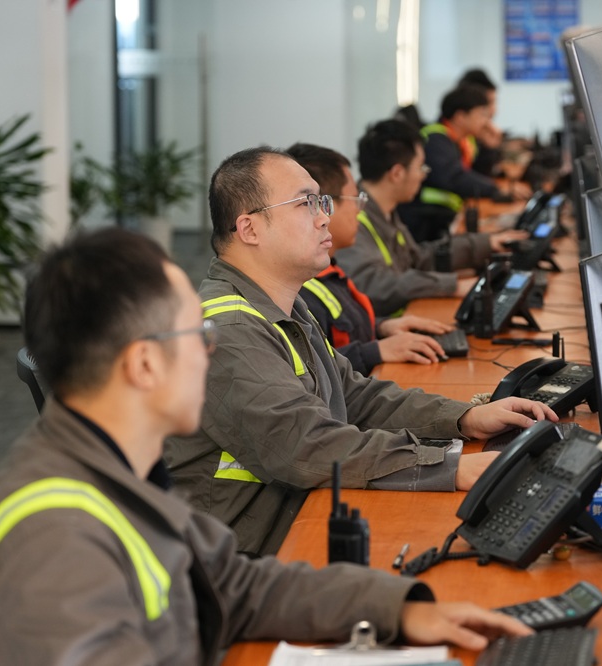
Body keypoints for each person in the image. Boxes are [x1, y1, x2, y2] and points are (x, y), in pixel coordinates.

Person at [0, 228, 532, 665]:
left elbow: (234, 586)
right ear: (144, 365)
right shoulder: (56, 544)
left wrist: (402, 609)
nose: (211, 351)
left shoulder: (115, 472)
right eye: (196, 334)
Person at [164, 147, 558, 556]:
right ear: (249, 229)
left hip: (291, 523)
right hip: (241, 560)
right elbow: (306, 446)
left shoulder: (278, 305)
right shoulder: (229, 331)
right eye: (304, 203)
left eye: (322, 201)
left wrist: (465, 418)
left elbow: (354, 396)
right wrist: (450, 467)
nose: (324, 217)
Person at [286, 142, 452, 374]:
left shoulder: (326, 271)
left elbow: (340, 333)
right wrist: (374, 351)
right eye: (355, 199)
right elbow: (313, 371)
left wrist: (381, 327)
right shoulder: (296, 290)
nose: (359, 211)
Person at [336, 119, 525, 317]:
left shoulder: (384, 211)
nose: (423, 175)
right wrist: (452, 286)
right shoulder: (354, 220)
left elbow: (418, 259)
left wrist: (485, 244)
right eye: (421, 167)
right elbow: (375, 285)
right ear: (397, 173)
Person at [398, 84, 533, 243]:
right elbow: (455, 178)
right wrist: (497, 189)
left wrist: (489, 148)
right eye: (482, 115)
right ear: (461, 116)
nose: (487, 122)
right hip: (426, 226)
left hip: (442, 219)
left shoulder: (459, 141)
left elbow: (476, 174)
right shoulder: (436, 140)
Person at [457, 68, 503, 177]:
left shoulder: (471, 137)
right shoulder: (444, 140)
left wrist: (489, 148)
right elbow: (461, 179)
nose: (494, 111)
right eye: (488, 104)